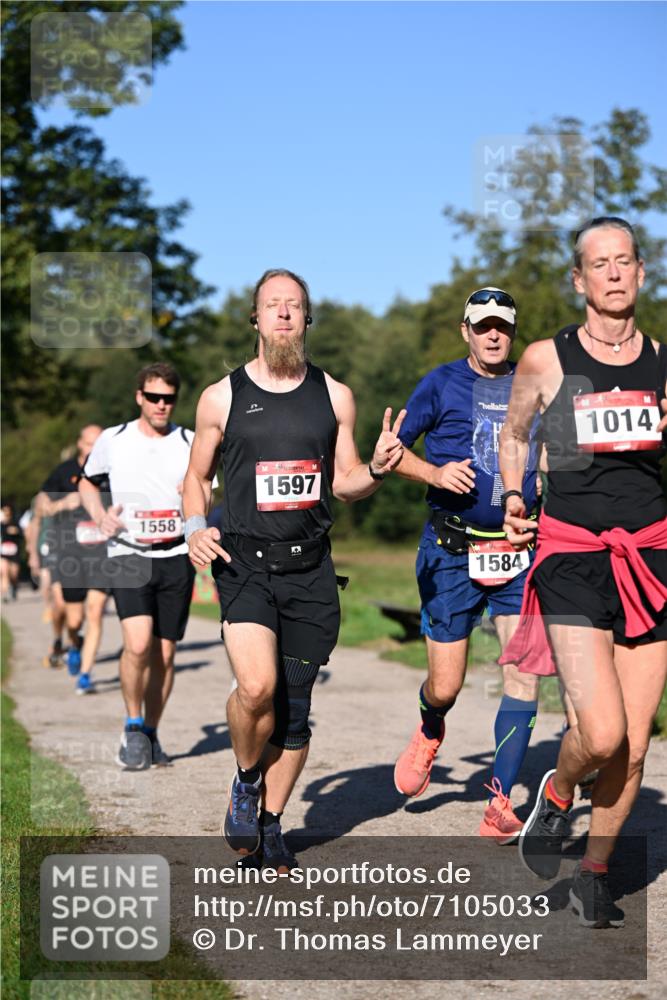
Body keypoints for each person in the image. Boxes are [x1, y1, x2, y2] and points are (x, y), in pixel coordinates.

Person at [183, 268, 404, 871]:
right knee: (258, 688)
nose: (283, 314)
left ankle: (272, 823)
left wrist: (378, 470)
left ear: (307, 318)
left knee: (296, 709)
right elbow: (196, 477)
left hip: (310, 571)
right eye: (272, 305)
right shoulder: (221, 396)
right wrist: (195, 526)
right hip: (244, 565)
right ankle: (246, 778)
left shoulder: (335, 395)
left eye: (294, 305)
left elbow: (346, 482)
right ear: (254, 319)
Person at [499, 217, 667, 928]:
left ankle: (593, 875)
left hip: (650, 557)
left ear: (640, 272)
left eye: (624, 261)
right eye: (599, 264)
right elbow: (515, 434)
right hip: (571, 554)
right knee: (599, 735)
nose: (613, 273)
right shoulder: (548, 358)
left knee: (634, 743)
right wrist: (514, 497)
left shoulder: (661, 363)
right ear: (579, 280)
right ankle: (559, 791)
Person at [392, 287, 541, 844]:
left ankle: (500, 801)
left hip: (519, 550)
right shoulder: (440, 383)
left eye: (502, 325)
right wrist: (432, 474)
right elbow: (392, 452)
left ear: (513, 331)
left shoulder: (535, 383)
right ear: (466, 331)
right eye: (483, 326)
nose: (493, 334)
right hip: (452, 551)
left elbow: (560, 455)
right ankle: (431, 726)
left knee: (523, 674)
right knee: (446, 685)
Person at [80, 363, 197, 768]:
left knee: (164, 654)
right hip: (128, 551)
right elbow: (87, 480)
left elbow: (208, 494)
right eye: (154, 397)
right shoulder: (113, 439)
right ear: (139, 397)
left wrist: (192, 494)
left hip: (175, 554)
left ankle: (151, 731)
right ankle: (131, 726)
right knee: (138, 644)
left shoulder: (190, 441)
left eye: (169, 398)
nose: (161, 405)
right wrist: (100, 516)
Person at [35, 426, 105, 680]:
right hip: (69, 552)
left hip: (101, 553)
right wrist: (64, 503)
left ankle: (85, 675)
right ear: (79, 444)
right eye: (89, 444)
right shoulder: (64, 472)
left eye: (98, 443)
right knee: (73, 619)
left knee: (95, 612)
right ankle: (74, 642)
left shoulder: (110, 469)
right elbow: (41, 506)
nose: (93, 449)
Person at [1, 502, 22, 601]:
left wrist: (16, 531)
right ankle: (5, 595)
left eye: (8, 511)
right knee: (4, 572)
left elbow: (22, 535)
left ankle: (14, 586)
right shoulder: (1, 524)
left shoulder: (15, 523)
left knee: (14, 573)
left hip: (14, 552)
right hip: (3, 553)